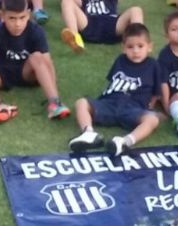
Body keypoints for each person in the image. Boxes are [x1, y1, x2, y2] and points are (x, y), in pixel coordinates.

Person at [0, 0, 70, 123]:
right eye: (12, 18)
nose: (18, 24)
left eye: (22, 17)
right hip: (1, 74)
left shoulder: (36, 31)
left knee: (37, 56)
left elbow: (47, 62)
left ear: (28, 14)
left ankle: (55, 104)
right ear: (2, 16)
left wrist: (54, 92)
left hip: (27, 73)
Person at [68, 23, 164, 156]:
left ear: (149, 47)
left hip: (133, 108)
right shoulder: (120, 60)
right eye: (130, 47)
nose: (135, 51)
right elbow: (112, 83)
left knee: (152, 120)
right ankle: (89, 134)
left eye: (140, 46)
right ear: (123, 48)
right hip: (110, 103)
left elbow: (157, 93)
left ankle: (124, 142)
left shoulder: (153, 65)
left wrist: (150, 108)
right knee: (81, 103)